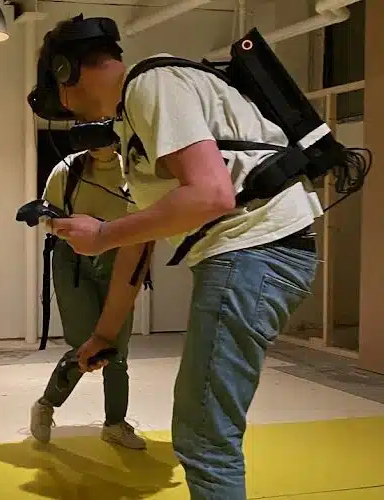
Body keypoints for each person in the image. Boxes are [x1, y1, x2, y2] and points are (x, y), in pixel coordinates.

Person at [33, 16, 320, 500]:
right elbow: (139, 242)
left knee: (204, 437)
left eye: (59, 96)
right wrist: (105, 334)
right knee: (205, 430)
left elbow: (210, 194)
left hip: (253, 250)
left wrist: (101, 234)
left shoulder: (150, 83)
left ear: (66, 71)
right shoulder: (134, 121)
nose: (68, 112)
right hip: (253, 253)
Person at [30, 145, 150, 450]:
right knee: (84, 343)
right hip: (72, 257)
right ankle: (47, 403)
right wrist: (64, 225)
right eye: (85, 125)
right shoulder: (68, 169)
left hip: (120, 256)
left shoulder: (135, 169)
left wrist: (108, 232)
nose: (95, 136)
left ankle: (115, 424)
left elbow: (148, 218)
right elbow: (47, 217)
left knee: (117, 349)